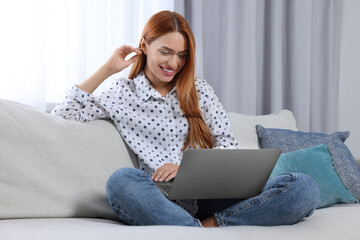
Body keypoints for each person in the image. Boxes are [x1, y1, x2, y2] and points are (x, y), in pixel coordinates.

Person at [52, 10, 320, 227]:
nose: (174, 64)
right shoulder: (123, 93)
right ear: (144, 45)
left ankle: (209, 226)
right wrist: (107, 69)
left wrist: (188, 169)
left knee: (303, 186)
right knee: (121, 182)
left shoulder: (200, 90)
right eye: (165, 52)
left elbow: (227, 144)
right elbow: (62, 115)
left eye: (182, 55)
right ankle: (196, 229)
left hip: (212, 193)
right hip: (161, 196)